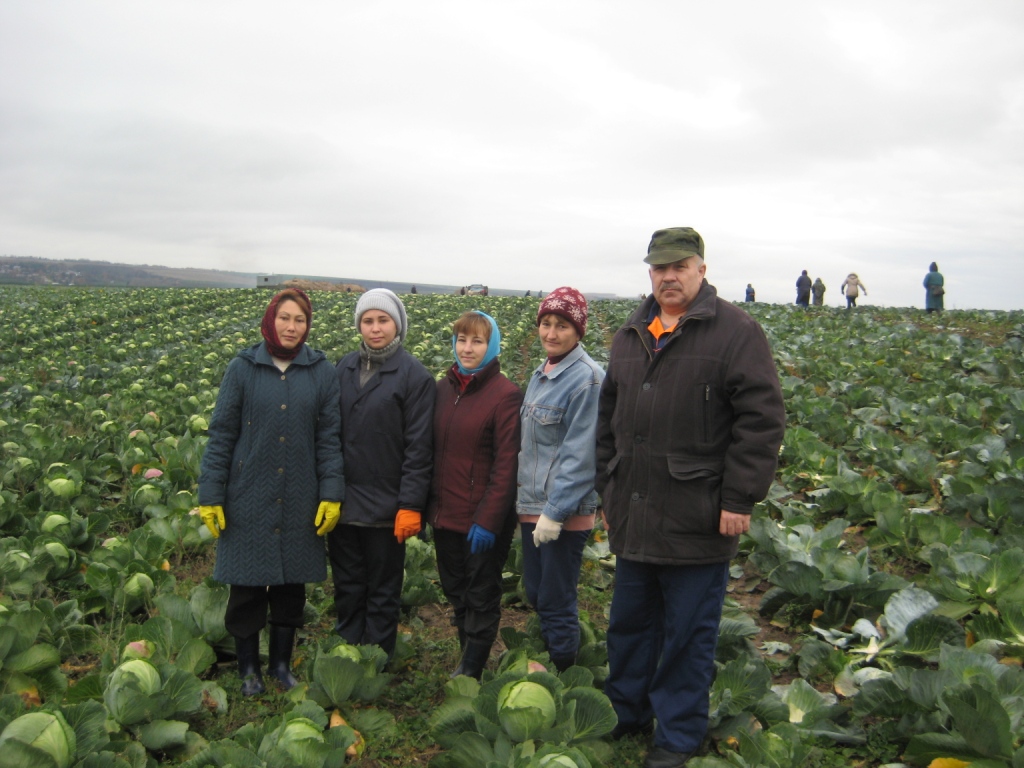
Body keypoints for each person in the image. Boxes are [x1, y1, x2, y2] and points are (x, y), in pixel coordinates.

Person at [596, 227, 785, 768]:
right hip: (633, 510)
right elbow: (607, 422)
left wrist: (740, 498)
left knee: (688, 634)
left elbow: (761, 420)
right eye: (659, 268)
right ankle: (626, 712)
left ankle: (677, 735)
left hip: (698, 516)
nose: (668, 276)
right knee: (628, 624)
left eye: (679, 266)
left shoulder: (735, 332)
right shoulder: (631, 332)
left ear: (701, 269)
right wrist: (607, 487)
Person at [198, 288, 344, 696]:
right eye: (284, 318)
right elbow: (221, 435)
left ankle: (280, 665)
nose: (291, 327)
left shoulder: (320, 371)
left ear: (307, 324)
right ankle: (248, 669)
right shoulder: (242, 368)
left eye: (299, 320)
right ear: (270, 320)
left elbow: (329, 438)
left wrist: (331, 491)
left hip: (300, 494)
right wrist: (211, 493)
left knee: (289, 587)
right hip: (247, 495)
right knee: (245, 586)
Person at [330, 289, 435, 659]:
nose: (375, 329)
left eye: (383, 320)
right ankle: (347, 653)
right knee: (347, 583)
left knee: (382, 588)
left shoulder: (415, 377)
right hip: (343, 503)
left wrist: (409, 504)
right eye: (368, 321)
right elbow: (328, 434)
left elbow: (419, 448)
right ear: (359, 325)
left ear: (398, 325)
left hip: (387, 507)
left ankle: (375, 659)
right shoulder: (342, 368)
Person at [427, 311, 522, 679]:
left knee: (481, 592)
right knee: (455, 589)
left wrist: (488, 520)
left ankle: (472, 666)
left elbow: (506, 465)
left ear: (492, 346)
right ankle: (466, 651)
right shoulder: (441, 389)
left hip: (482, 521)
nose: (467, 348)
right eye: (462, 340)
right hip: (445, 514)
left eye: (477, 341)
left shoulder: (506, 396)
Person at [517, 288, 604, 672]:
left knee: (555, 597)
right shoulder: (543, 372)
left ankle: (566, 674)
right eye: (547, 324)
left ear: (579, 331)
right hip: (532, 506)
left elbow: (581, 453)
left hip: (562, 513)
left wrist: (555, 512)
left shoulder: (587, 379)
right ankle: (554, 656)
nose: (551, 333)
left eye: (562, 326)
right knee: (536, 592)